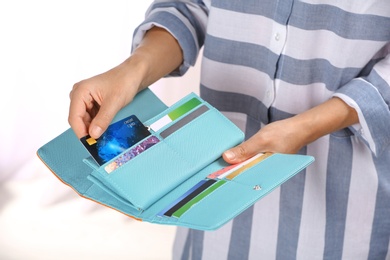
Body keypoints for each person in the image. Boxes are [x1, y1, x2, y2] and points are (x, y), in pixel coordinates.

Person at [68, 1, 390, 259]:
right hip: (208, 204)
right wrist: (132, 71)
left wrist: (310, 125)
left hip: (338, 204)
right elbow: (189, 7)